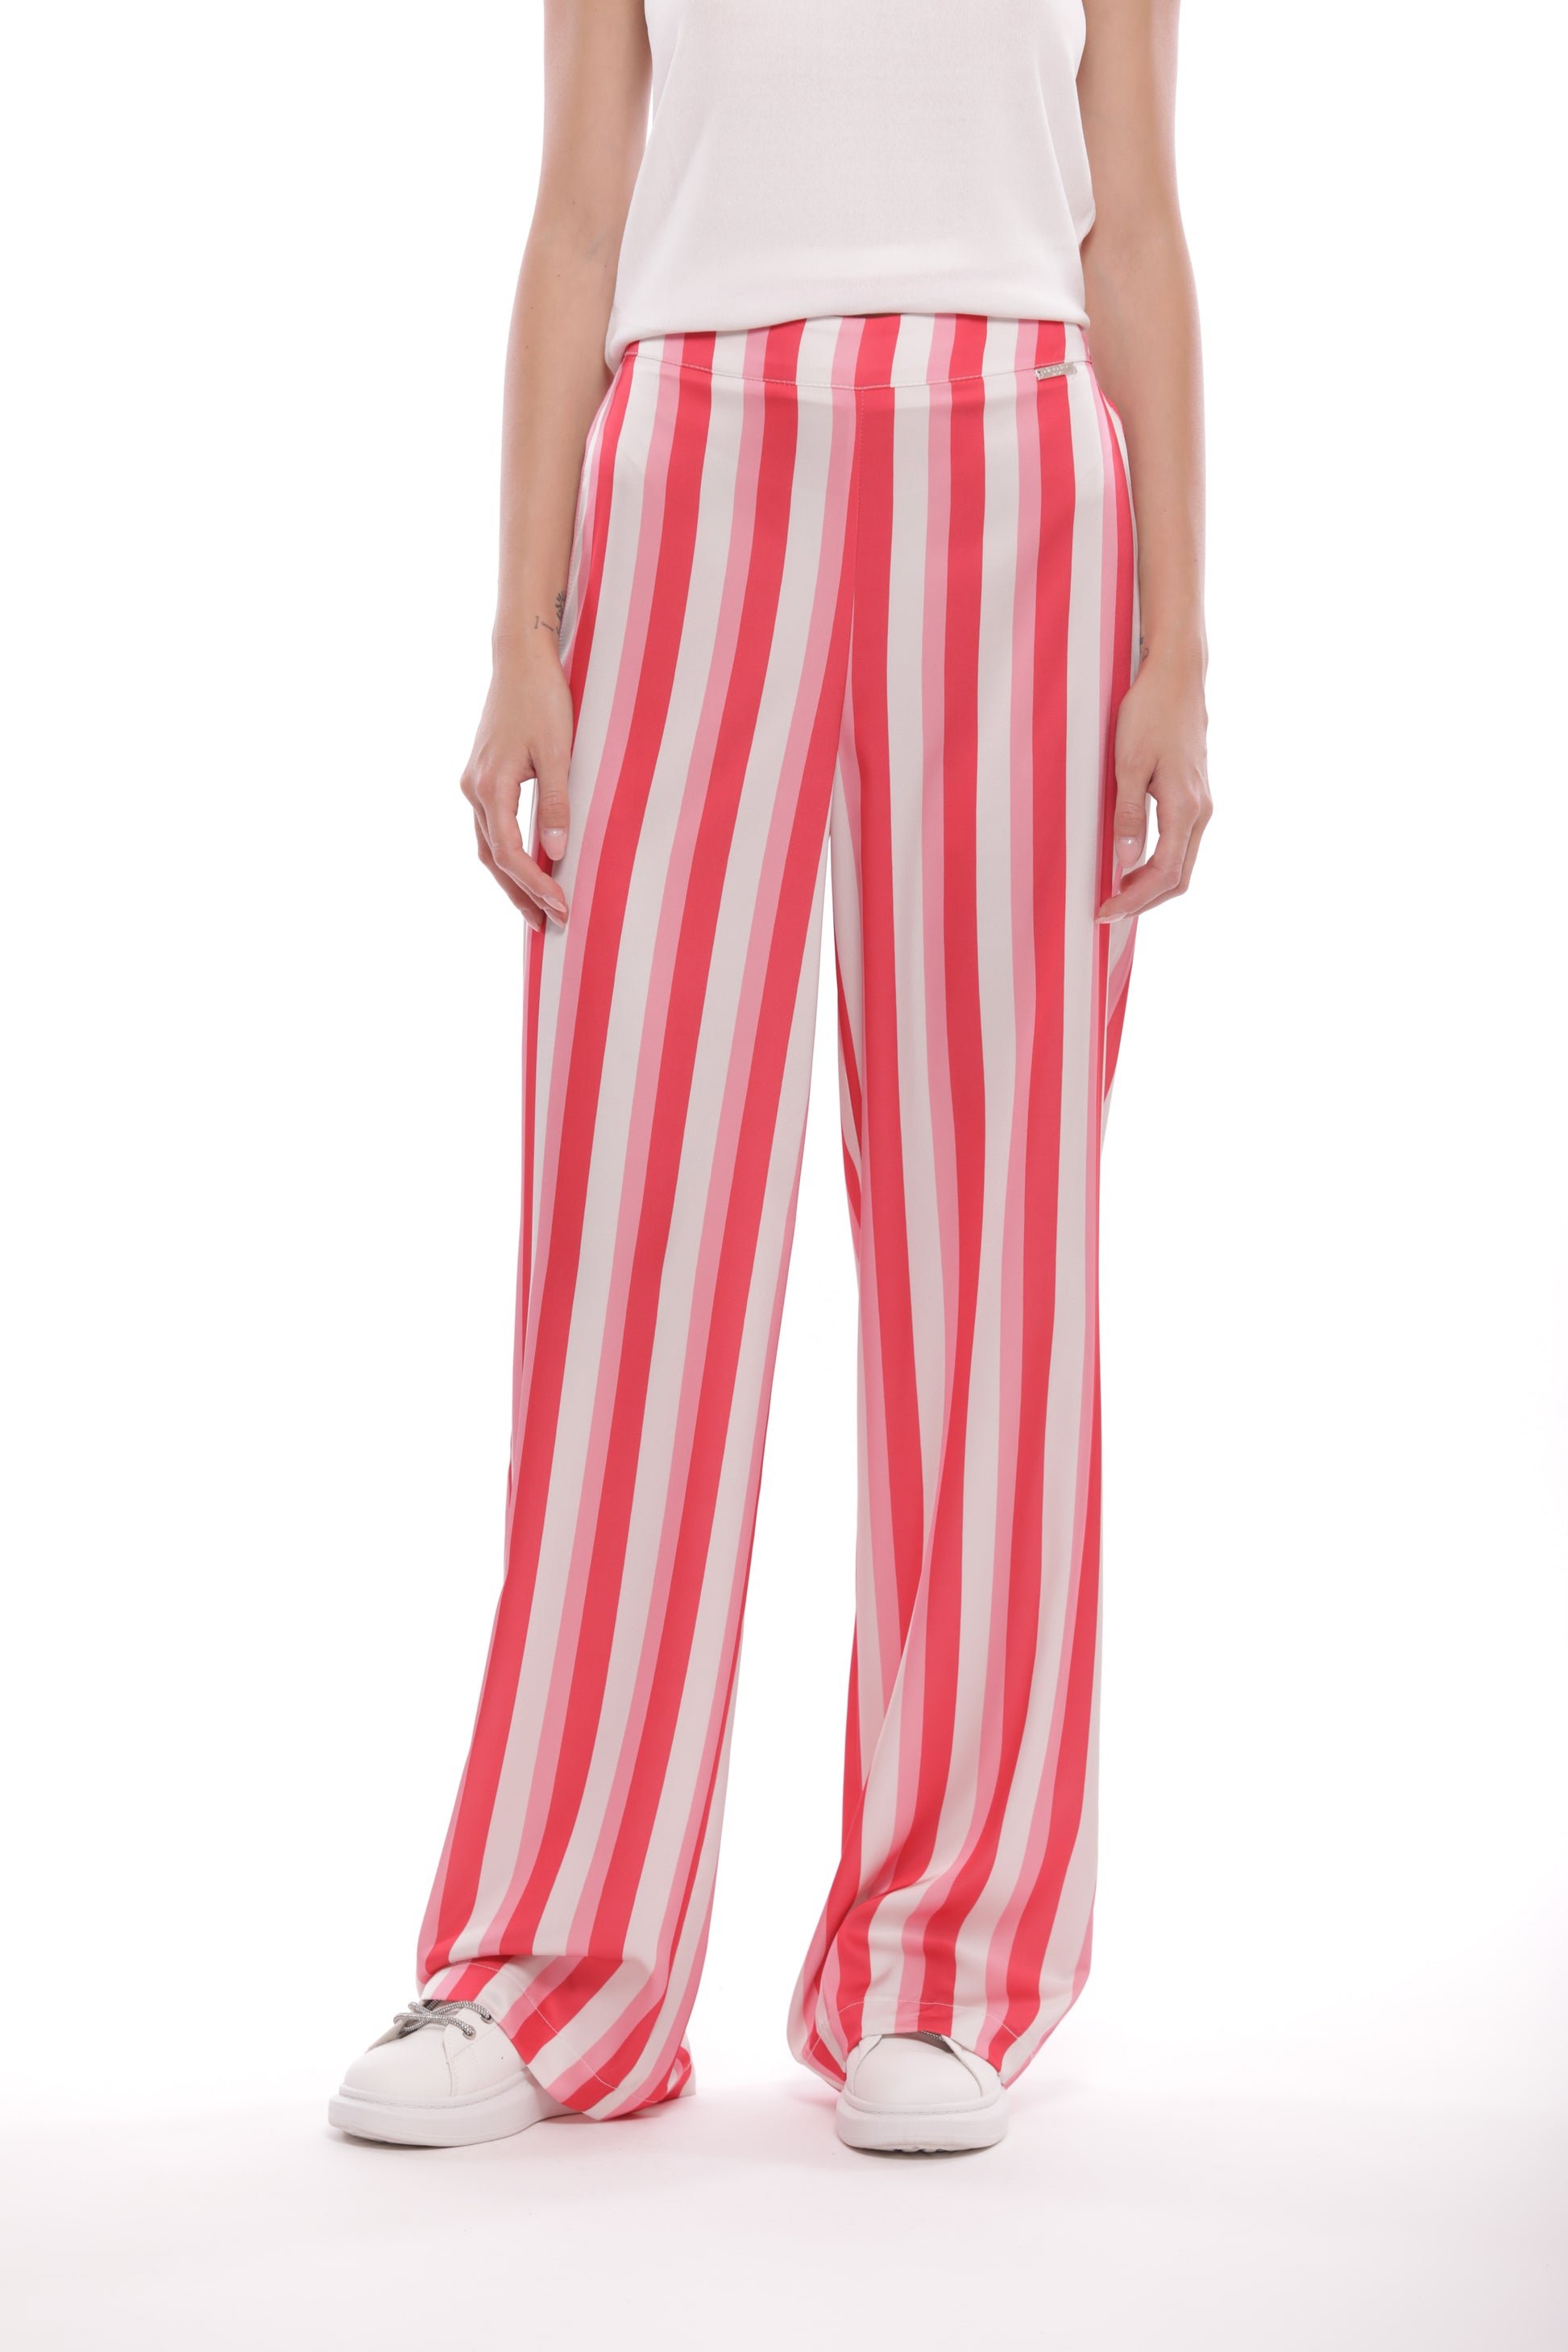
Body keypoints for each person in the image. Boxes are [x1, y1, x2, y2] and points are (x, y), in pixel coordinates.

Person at [330, 0, 1210, 2158]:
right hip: (687, 474)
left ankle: (951, 1962)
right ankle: (553, 1961)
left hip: (1016, 469)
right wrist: (522, 632)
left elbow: (1134, 218)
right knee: (628, 1228)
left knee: (991, 1241)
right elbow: (574, 219)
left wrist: (1178, 649)